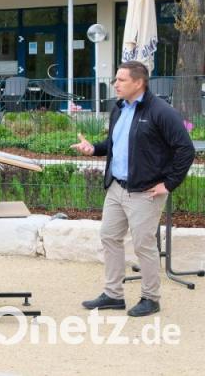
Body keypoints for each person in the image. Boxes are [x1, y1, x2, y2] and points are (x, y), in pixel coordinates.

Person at [72, 61, 195, 317]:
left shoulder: (161, 111)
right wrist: (94, 148)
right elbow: (114, 143)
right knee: (109, 236)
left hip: (145, 192)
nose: (115, 84)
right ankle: (113, 295)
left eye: (121, 80)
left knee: (143, 245)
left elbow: (185, 149)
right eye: (116, 79)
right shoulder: (119, 109)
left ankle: (151, 298)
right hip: (117, 187)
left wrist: (169, 183)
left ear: (138, 83)